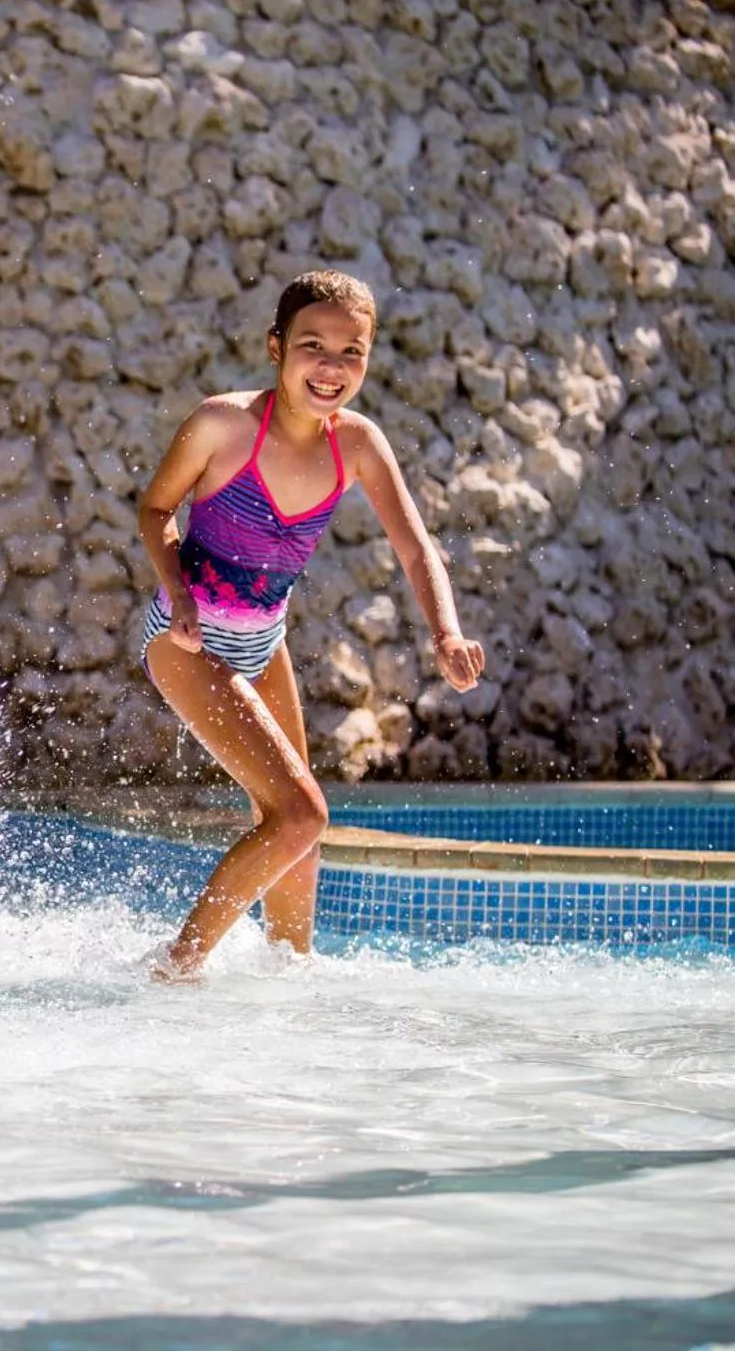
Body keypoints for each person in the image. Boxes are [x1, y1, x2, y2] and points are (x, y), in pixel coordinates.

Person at [136, 269, 486, 980]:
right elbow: (153, 510)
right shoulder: (222, 424)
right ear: (276, 347)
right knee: (301, 814)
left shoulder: (356, 444)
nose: (331, 367)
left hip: (264, 642)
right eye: (312, 346)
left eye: (351, 352)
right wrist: (177, 590)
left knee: (298, 835)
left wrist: (445, 632)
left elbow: (417, 548)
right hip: (186, 642)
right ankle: (176, 970)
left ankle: (286, 984)